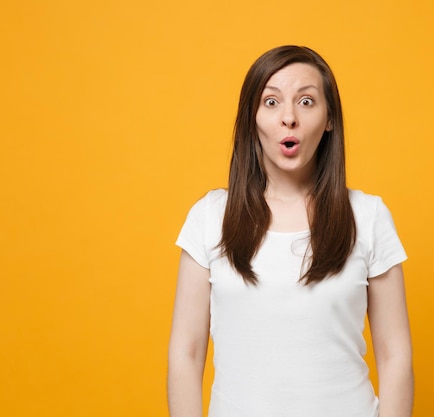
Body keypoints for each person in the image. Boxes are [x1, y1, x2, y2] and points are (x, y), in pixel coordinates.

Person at [168, 45, 413, 417]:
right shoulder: (209, 218)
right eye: (271, 102)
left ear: (329, 118)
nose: (288, 118)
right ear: (252, 118)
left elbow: (395, 355)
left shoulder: (368, 216)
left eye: (306, 102)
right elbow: (186, 351)